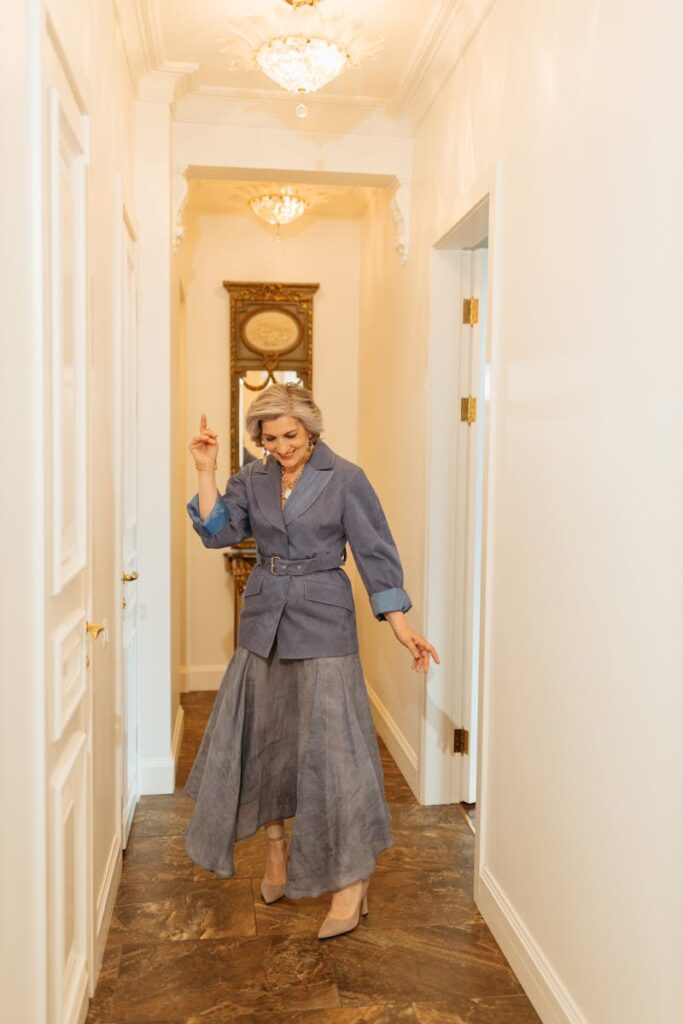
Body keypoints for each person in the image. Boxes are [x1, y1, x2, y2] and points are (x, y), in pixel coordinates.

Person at [184, 382, 440, 939]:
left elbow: (376, 553)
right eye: (269, 438)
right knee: (265, 747)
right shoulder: (251, 479)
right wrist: (205, 470)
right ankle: (277, 857)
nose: (280, 447)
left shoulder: (345, 477)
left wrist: (400, 624)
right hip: (262, 624)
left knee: (337, 756)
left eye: (290, 436)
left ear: (311, 428)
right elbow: (216, 532)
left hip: (325, 622)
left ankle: (351, 882)